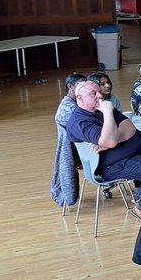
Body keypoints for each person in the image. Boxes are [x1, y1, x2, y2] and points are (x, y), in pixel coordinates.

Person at [66, 81, 141, 219]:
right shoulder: (80, 121)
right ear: (80, 98)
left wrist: (112, 140)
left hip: (138, 154)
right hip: (113, 165)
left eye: (99, 91)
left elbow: (130, 127)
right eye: (93, 93)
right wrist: (107, 114)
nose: (100, 95)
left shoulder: (101, 108)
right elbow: (110, 140)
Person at [52, 73, 88, 208]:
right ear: (70, 87)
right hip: (82, 154)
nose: (85, 87)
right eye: (81, 84)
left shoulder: (75, 103)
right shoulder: (69, 108)